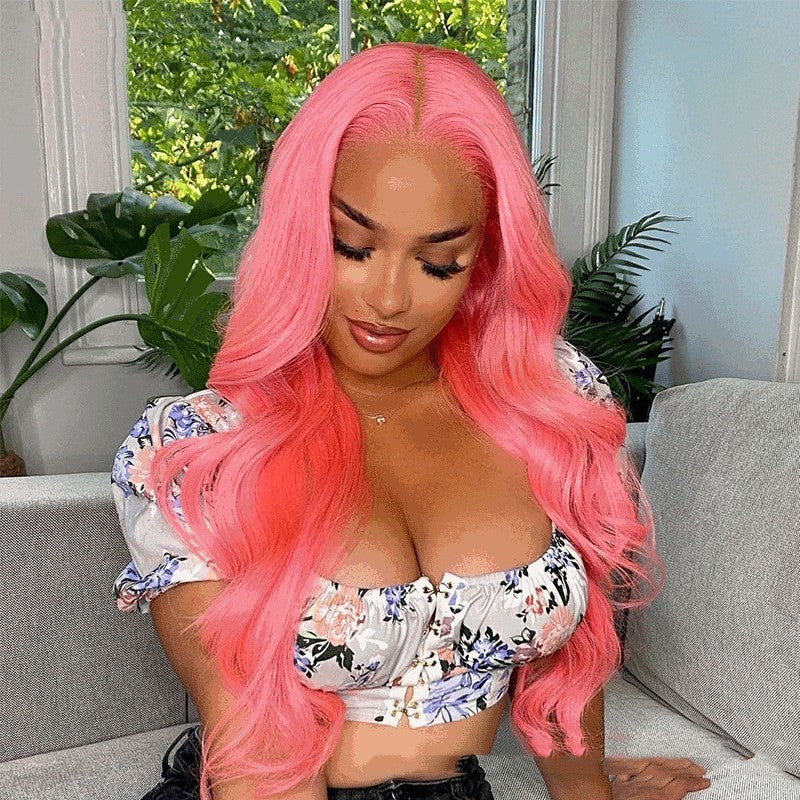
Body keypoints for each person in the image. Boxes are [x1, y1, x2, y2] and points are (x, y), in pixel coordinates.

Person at [110, 42, 712, 800]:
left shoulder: (548, 400)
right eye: (352, 246)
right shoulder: (200, 449)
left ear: (484, 258)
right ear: (301, 229)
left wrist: (587, 792)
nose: (389, 300)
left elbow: (566, 672)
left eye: (438, 262)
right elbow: (257, 765)